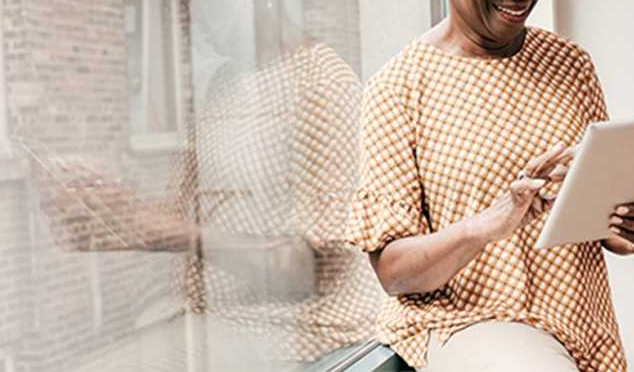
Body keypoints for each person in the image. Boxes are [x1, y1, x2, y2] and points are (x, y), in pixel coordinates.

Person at [345, 0, 634, 372]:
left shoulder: (570, 64)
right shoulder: (399, 88)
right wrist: (491, 223)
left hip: (579, 325)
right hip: (467, 322)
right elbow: (396, 273)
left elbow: (596, 221)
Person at [33, 22, 381, 371]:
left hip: (301, 332)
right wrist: (111, 206)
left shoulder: (321, 83)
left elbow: (308, 271)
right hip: (214, 318)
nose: (187, 19)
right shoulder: (224, 85)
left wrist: (173, 231)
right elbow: (193, 215)